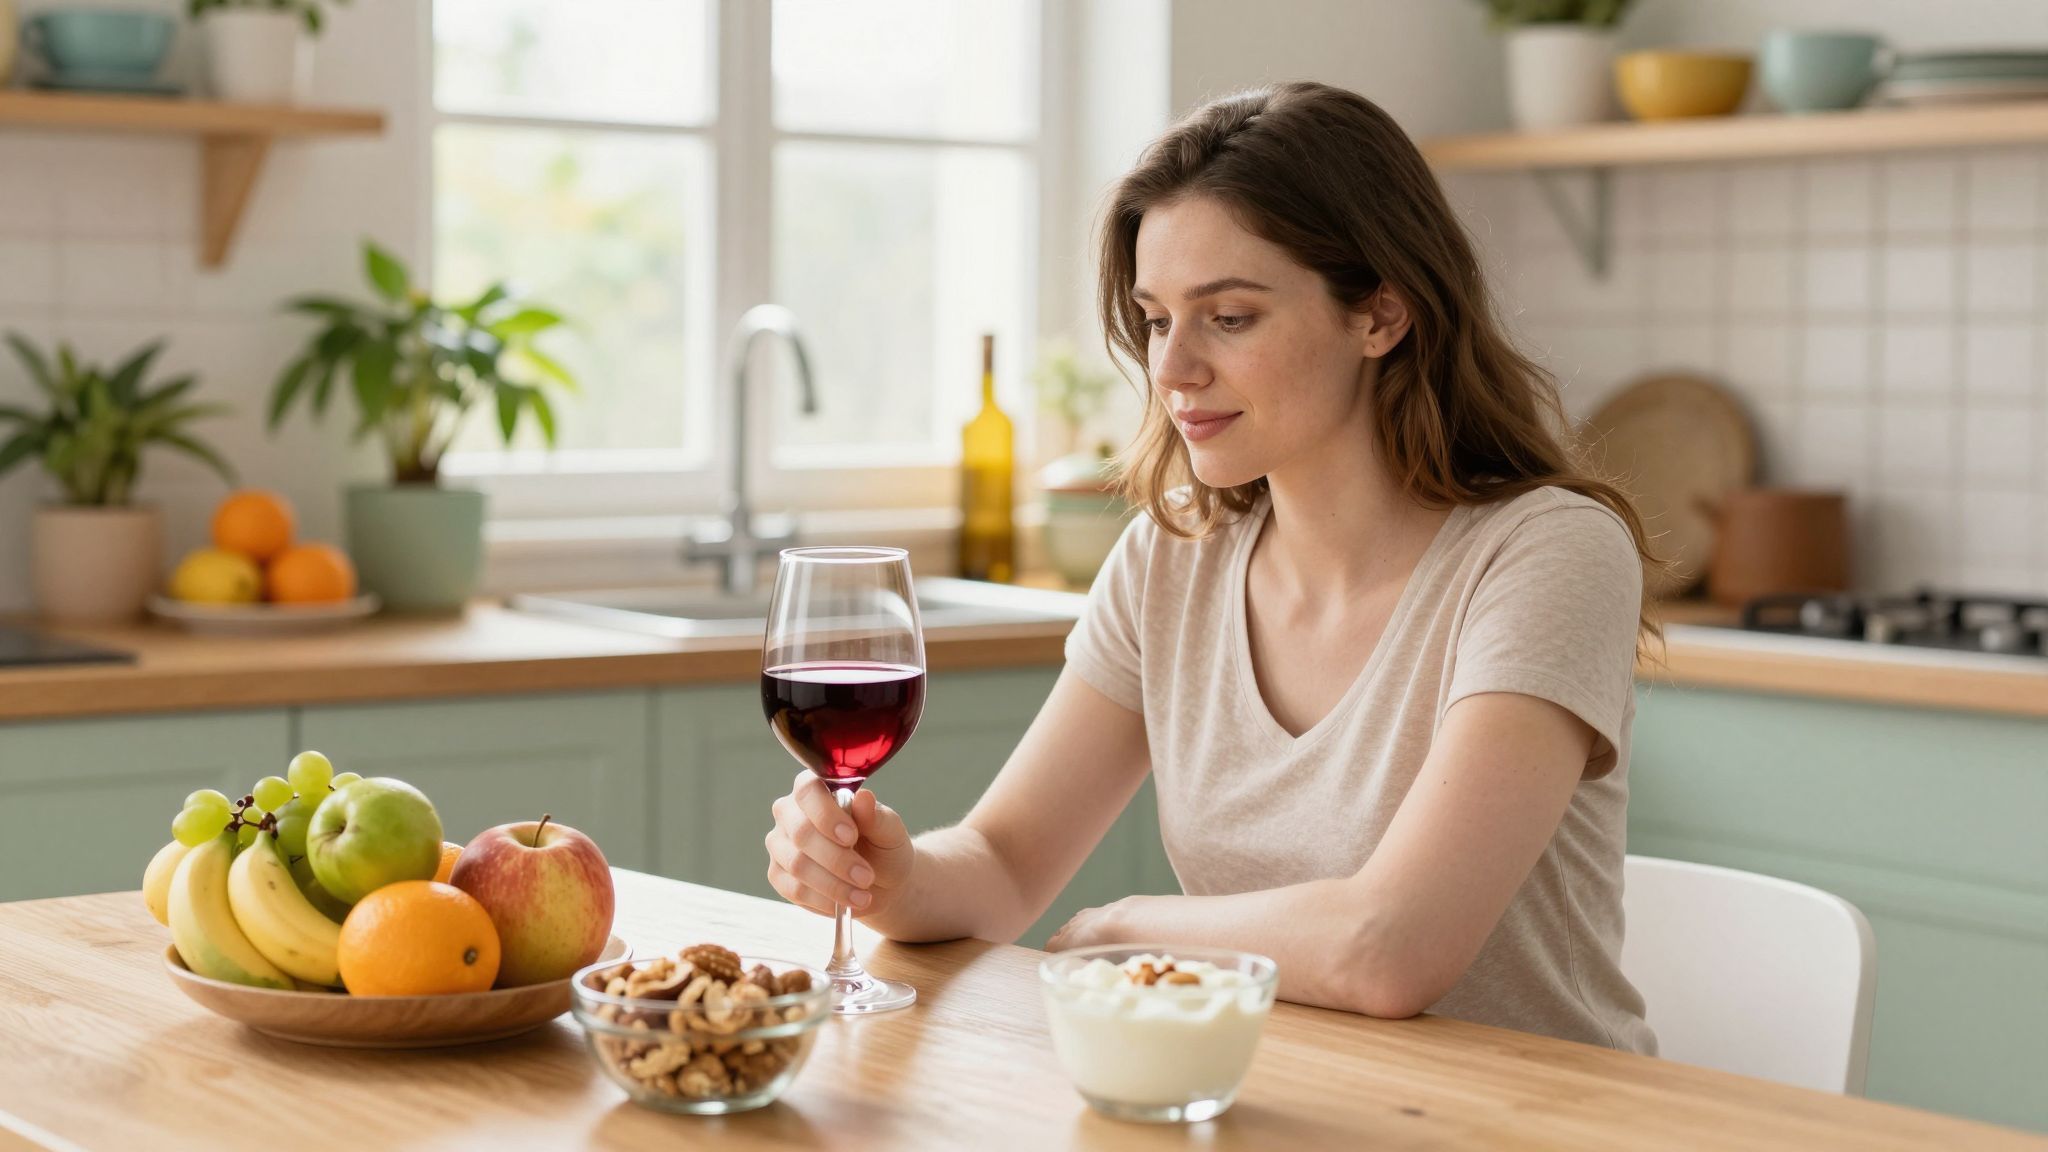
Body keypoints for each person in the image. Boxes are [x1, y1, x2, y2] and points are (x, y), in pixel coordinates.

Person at [764, 81, 1658, 1053]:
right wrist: (890, 878)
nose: (1171, 368)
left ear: (1381, 316)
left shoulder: (1544, 555)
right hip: (1265, 1104)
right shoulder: (1170, 559)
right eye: (1153, 319)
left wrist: (1124, 930)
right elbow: (1003, 861)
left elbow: (1387, 948)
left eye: (1226, 317)